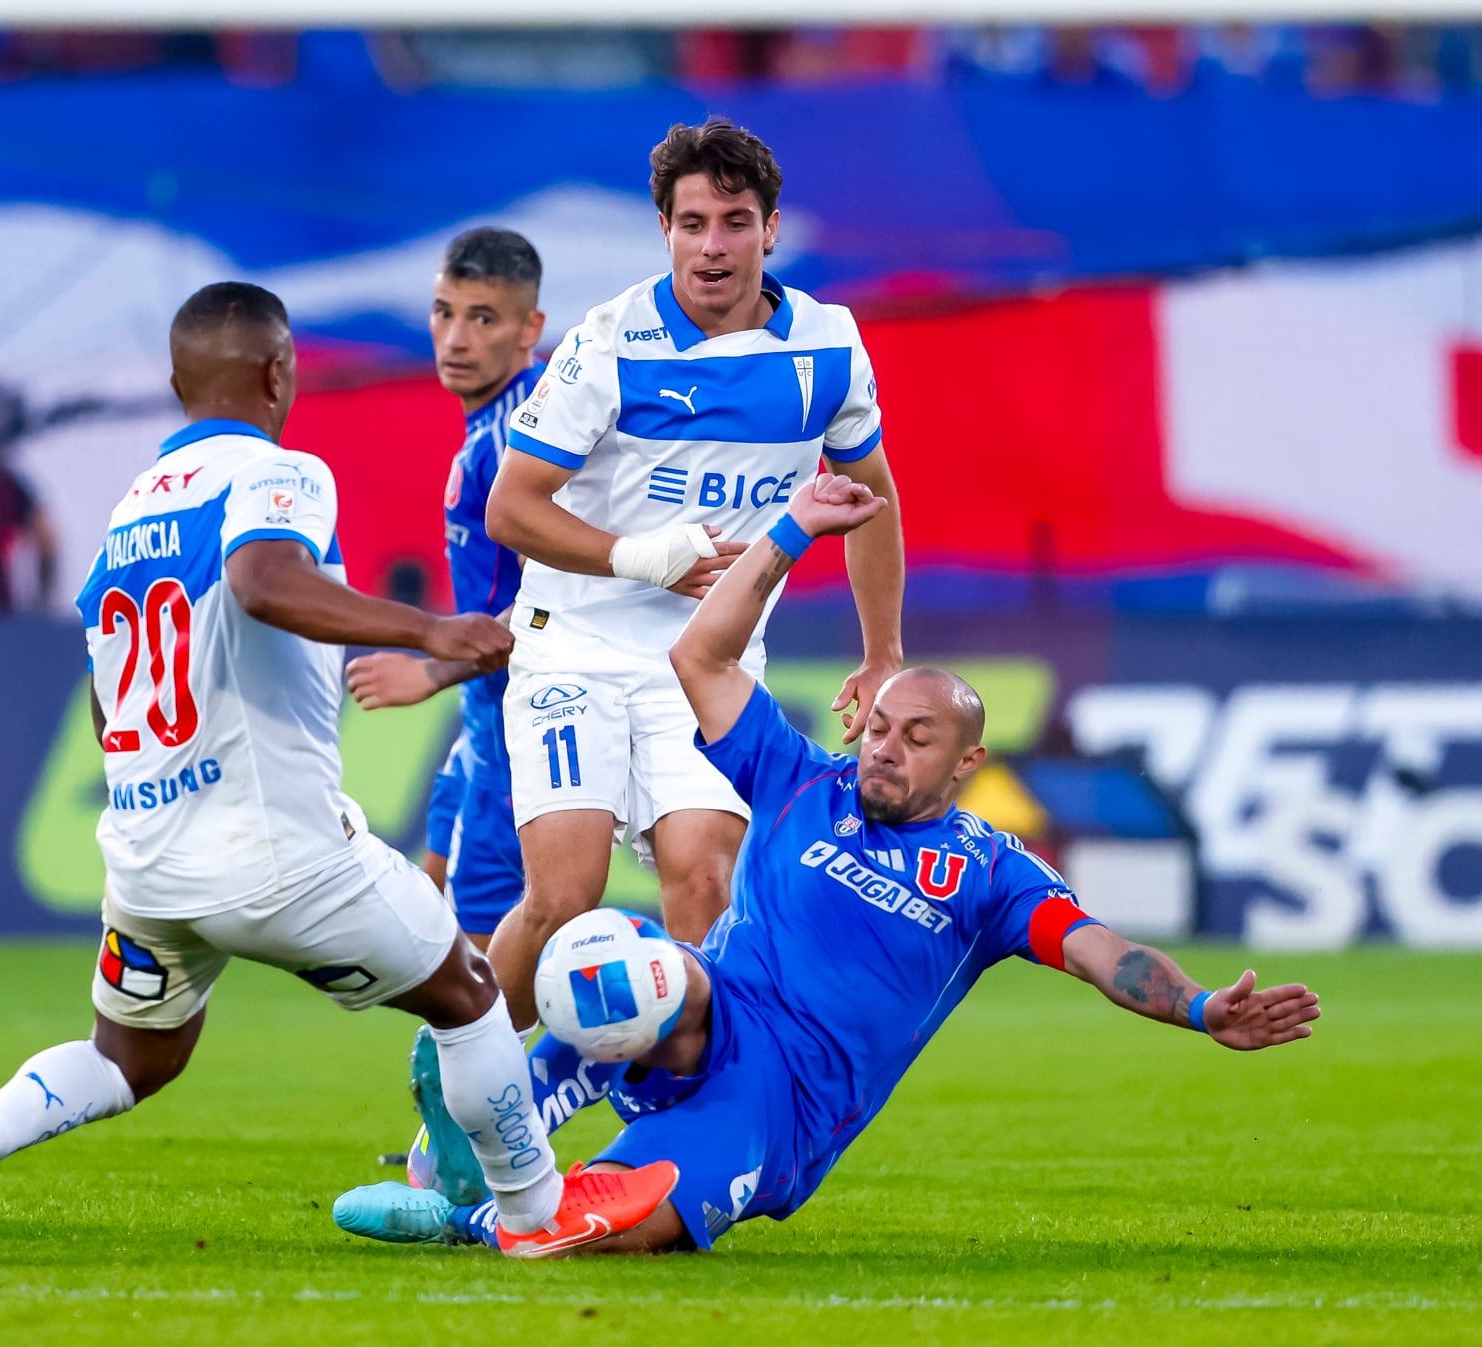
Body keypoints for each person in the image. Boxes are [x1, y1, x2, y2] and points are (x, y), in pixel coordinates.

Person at [0, 282, 675, 1262]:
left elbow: (110, 704)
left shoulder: (127, 517)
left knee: (131, 1058)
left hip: (149, 866)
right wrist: (430, 627)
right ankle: (533, 1216)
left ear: (177, 383)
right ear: (279, 374)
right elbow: (263, 579)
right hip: (280, 857)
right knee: (470, 995)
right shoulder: (281, 473)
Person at [333, 474, 1320, 1255]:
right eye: (880, 726)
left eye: (915, 736)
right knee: (613, 957)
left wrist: (1197, 1008)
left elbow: (1102, 952)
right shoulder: (808, 781)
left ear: (966, 761)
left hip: (784, 1099)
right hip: (708, 1003)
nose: (884, 746)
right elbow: (701, 660)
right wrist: (793, 530)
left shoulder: (991, 872)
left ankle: (484, 1213)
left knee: (619, 1235)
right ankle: (472, 1158)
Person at [411, 116, 908, 1204]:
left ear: (771, 231)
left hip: (708, 661)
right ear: (665, 231)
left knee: (704, 880)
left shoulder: (827, 347)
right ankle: (454, 1081)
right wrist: (642, 553)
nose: (713, 247)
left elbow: (870, 498)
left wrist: (882, 652)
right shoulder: (608, 343)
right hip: (575, 646)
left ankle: (690, 1128)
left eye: (736, 223)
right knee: (563, 898)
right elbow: (511, 508)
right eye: (692, 224)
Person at [345, 227, 546, 950]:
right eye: (443, 311)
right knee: (424, 924)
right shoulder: (489, 428)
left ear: (530, 329)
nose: (455, 337)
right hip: (486, 722)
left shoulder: (531, 438)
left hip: (527, 731)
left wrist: (430, 669)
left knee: (480, 985)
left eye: (482, 317)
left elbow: (560, 605)